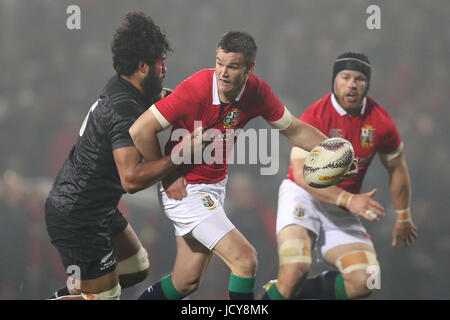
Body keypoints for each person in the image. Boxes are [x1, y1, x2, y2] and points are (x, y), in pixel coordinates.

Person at [129, 31, 336, 300]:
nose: (223, 72)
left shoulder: (257, 92)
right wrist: (167, 176)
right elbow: (140, 130)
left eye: (232, 66)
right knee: (245, 260)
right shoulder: (196, 89)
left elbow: (294, 129)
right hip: (185, 189)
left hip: (214, 187)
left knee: (186, 282)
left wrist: (333, 149)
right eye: (219, 63)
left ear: (250, 68)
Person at [45, 12, 202, 300]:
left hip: (94, 207)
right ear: (143, 67)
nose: (165, 69)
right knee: (107, 296)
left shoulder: (125, 87)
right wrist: (179, 155)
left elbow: (163, 98)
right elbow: (130, 180)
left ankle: (83, 293)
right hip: (79, 215)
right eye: (160, 64)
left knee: (137, 267)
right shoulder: (123, 110)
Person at [261, 52, 418, 300]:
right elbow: (303, 176)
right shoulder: (317, 115)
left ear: (367, 83)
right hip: (302, 197)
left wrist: (403, 216)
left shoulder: (380, 120)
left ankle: (294, 293)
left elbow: (397, 166)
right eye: (345, 77)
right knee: (295, 271)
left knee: (366, 280)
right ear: (335, 80)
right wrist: (348, 199)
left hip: (341, 207)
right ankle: (280, 292)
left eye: (359, 79)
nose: (352, 84)